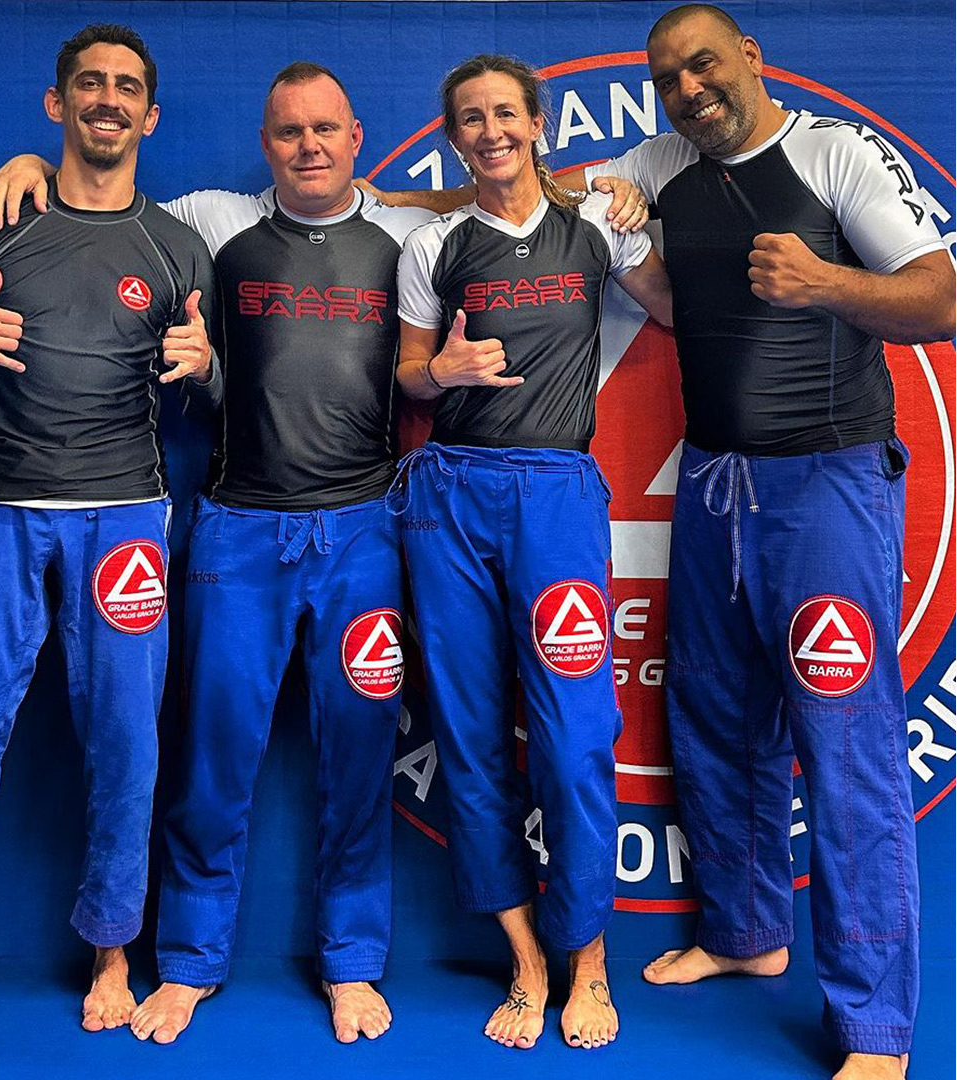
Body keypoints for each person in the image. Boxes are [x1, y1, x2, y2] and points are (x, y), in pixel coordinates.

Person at [0, 63, 647, 1049]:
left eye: (327, 129)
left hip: (365, 533)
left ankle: (352, 964)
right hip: (239, 532)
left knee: (358, 763)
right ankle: (192, 963)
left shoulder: (411, 236)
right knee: (212, 762)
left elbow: (481, 195)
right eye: (289, 132)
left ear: (357, 136)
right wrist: (34, 157)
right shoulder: (212, 219)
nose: (309, 146)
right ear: (266, 141)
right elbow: (101, 201)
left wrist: (585, 186)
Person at [561, 7, 952, 1079]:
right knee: (718, 716)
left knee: (848, 745)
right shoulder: (660, 161)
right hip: (716, 480)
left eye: (704, 65)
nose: (688, 89)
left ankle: (875, 1030)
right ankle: (745, 935)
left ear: (751, 62)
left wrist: (826, 283)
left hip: (828, 481)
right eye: (666, 77)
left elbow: (941, 298)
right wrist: (614, 207)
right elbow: (523, 188)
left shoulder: (831, 154)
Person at [0, 23, 219, 1080]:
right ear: (56, 104)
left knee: (126, 742)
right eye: (90, 85)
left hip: (125, 521)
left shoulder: (176, 247)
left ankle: (112, 953)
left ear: (149, 117)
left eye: (127, 89)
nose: (108, 101)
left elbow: (222, 398)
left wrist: (204, 365)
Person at [392, 53, 672, 1053]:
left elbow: (674, 306)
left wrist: (637, 210)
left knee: (571, 735)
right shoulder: (435, 243)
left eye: (505, 113)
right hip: (451, 498)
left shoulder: (592, 224)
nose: (490, 131)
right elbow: (410, 373)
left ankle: (589, 957)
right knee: (469, 737)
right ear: (453, 136)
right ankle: (526, 960)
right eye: (469, 118)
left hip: (555, 494)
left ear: (539, 124)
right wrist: (443, 371)